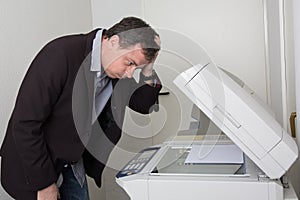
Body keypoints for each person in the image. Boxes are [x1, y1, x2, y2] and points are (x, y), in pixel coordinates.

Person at [0, 16, 162, 200]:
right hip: (34, 166)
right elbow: (25, 124)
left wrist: (148, 67)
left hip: (72, 162)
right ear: (113, 41)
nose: (130, 73)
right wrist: (44, 184)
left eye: (136, 68)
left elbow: (143, 104)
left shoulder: (118, 70)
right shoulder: (60, 55)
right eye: (130, 63)